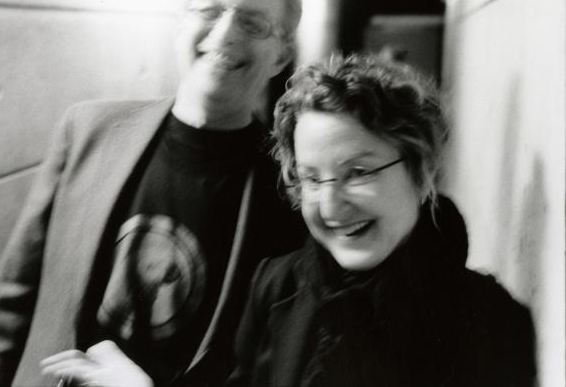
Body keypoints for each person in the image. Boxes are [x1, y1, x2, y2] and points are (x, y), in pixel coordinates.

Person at [0, 0, 306, 387]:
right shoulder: (88, 132)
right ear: (179, 22)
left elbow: (270, 366)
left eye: (252, 23)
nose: (224, 34)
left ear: (282, 52)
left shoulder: (289, 188)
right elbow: (14, 301)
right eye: (207, 10)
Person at [228, 54, 536, 386]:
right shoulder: (274, 287)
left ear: (421, 169)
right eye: (312, 179)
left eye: (358, 172)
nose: (330, 207)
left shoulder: (493, 319)